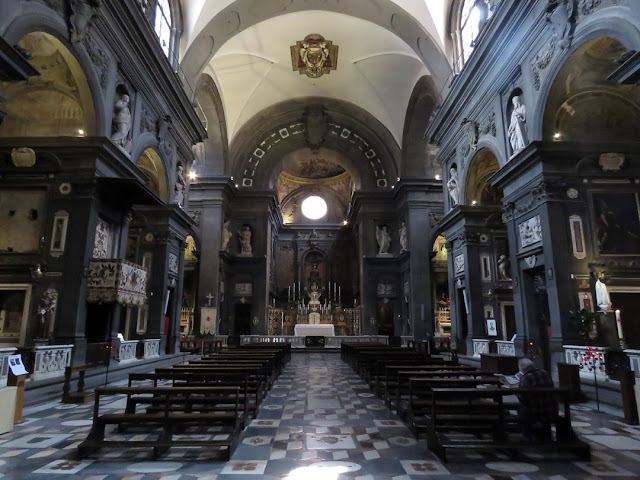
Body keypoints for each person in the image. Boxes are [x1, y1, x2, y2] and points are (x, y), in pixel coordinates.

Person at [517, 358, 557, 442]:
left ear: (523, 369)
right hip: (550, 409)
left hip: (534, 411)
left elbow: (522, 397)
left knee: (521, 408)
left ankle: (527, 435)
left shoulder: (525, 378)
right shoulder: (545, 373)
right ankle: (547, 435)